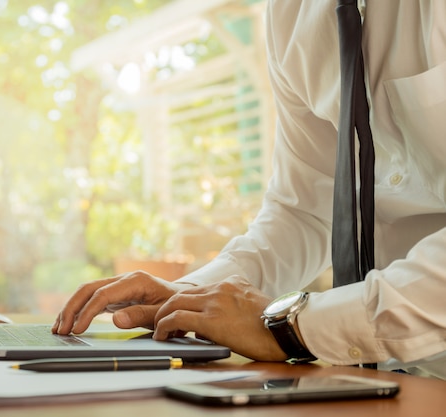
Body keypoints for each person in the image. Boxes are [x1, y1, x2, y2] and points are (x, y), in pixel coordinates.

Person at [52, 0, 446, 379]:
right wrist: (189, 295)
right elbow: (304, 209)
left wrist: (296, 328)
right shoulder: (291, 13)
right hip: (393, 379)